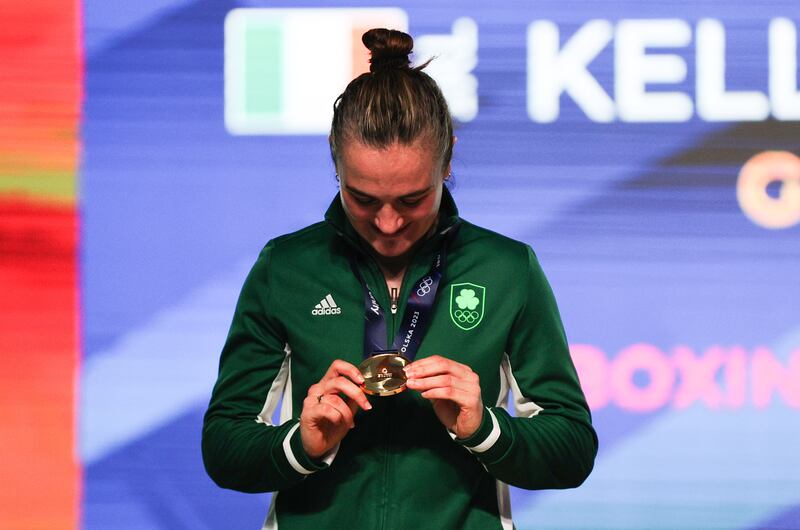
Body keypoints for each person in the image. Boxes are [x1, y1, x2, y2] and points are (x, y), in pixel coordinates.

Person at [202, 28, 597, 530]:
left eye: (412, 200)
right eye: (363, 198)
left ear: (448, 159)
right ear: (334, 159)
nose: (388, 223)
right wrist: (301, 443)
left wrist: (483, 429)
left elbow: (573, 449)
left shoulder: (506, 268)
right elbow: (223, 448)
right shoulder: (286, 267)